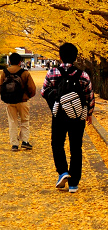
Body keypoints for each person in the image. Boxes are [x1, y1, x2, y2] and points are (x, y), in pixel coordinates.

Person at [41, 43, 95, 193]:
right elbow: (89, 95)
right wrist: (89, 114)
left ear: (59, 56)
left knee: (57, 143)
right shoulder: (83, 75)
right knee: (76, 147)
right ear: (76, 57)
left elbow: (43, 91)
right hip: (78, 117)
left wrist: (56, 99)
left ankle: (63, 172)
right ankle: (73, 184)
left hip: (59, 114)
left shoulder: (52, 72)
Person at [0, 52, 36, 151]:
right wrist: (27, 96)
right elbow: (32, 88)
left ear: (10, 61)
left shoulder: (5, 72)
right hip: (22, 100)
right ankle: (25, 141)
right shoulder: (25, 73)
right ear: (20, 62)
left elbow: (1, 86)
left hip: (9, 101)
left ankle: (14, 144)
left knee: (12, 122)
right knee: (25, 120)